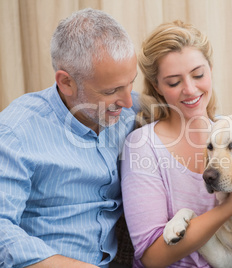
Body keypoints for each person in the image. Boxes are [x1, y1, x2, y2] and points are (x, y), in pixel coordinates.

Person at [120, 20, 232, 268]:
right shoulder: (143, 145)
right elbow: (151, 257)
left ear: (210, 69)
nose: (190, 89)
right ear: (157, 86)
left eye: (198, 74)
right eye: (174, 82)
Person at [0, 8, 139, 267]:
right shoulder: (15, 132)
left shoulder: (130, 110)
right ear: (66, 82)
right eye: (111, 91)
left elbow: (211, 126)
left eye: (131, 82)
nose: (128, 101)